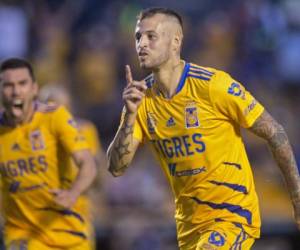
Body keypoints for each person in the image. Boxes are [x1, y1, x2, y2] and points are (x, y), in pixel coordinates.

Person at [107, 7, 300, 250]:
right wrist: (129, 118)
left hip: (232, 217)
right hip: (189, 229)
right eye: (138, 37)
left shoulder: (213, 86)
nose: (141, 44)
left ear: (175, 41)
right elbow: (116, 167)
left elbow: (275, 133)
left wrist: (296, 197)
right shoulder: (140, 100)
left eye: (151, 36)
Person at [0, 58, 97, 250]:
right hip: (23, 237)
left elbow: (89, 164)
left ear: (34, 89)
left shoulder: (56, 118)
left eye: (22, 84)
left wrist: (72, 194)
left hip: (70, 231)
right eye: (8, 85)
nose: (16, 91)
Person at [39, 84, 107, 250]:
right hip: (41, 219)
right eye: (52, 110)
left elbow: (99, 178)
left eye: (64, 110)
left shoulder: (85, 131)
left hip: (78, 217)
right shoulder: (31, 137)